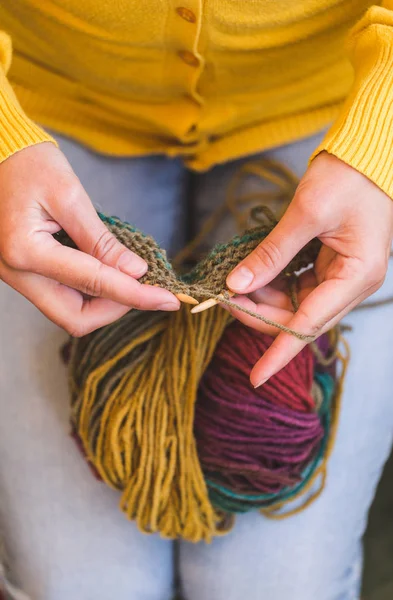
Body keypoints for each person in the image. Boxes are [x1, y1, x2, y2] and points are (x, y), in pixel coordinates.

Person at [0, 2, 393, 599]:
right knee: (80, 589)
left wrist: (378, 150)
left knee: (279, 589)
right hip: (45, 109)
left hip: (336, 106)